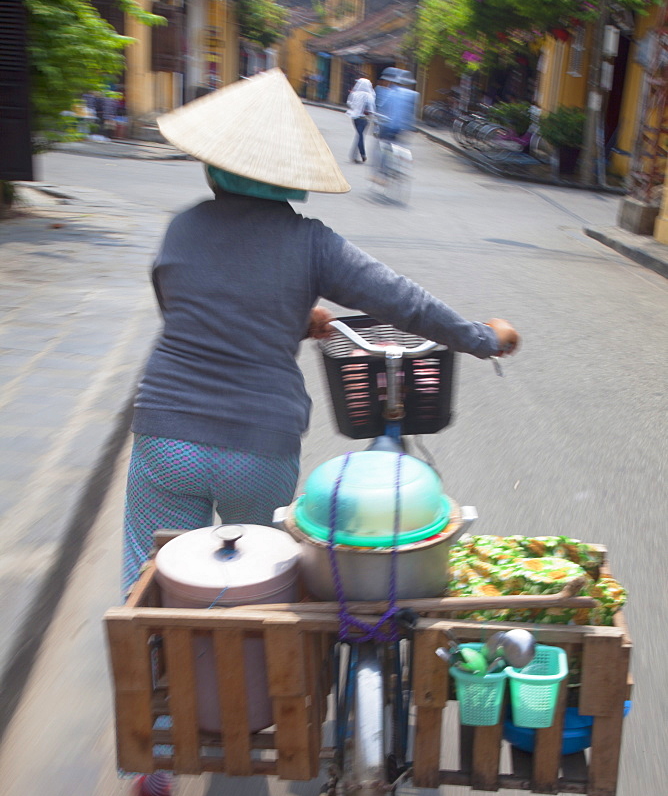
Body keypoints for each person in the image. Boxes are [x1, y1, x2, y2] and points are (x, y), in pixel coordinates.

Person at [122, 68, 519, 598]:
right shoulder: (311, 244)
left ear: (213, 167)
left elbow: (182, 309)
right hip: (258, 447)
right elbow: (403, 302)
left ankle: (150, 667)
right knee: (253, 586)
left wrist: (290, 318)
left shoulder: (182, 227)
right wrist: (483, 337)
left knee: (154, 583)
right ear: (290, 176)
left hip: (165, 435)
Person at [346, 77, 375, 163]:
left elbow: (349, 103)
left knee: (358, 135)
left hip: (355, 118)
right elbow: (371, 109)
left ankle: (354, 155)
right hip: (364, 119)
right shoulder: (369, 96)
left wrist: (356, 108)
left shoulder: (355, 94)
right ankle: (362, 154)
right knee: (360, 136)